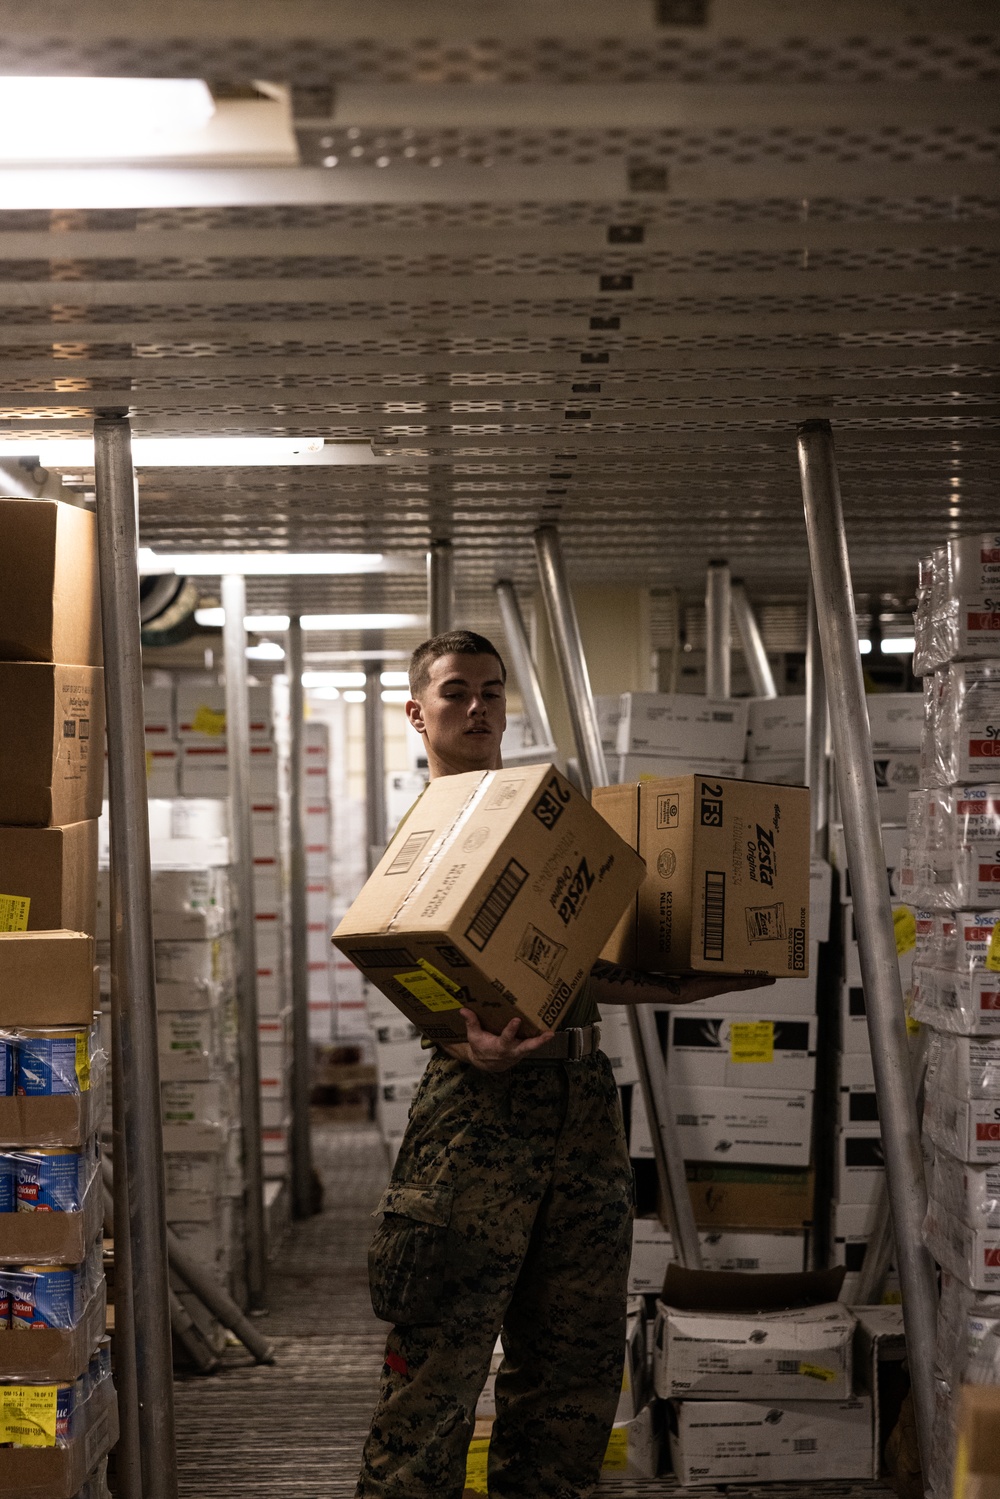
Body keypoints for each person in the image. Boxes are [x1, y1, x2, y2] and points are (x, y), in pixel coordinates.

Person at [356, 630, 768, 1499]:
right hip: (475, 1122)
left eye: (493, 692)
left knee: (574, 1366)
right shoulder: (422, 842)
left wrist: (679, 987)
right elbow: (416, 975)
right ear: (416, 711)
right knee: (438, 1369)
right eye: (458, 691)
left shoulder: (543, 822)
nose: (478, 707)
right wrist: (467, 1044)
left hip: (581, 1113)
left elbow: (579, 968)